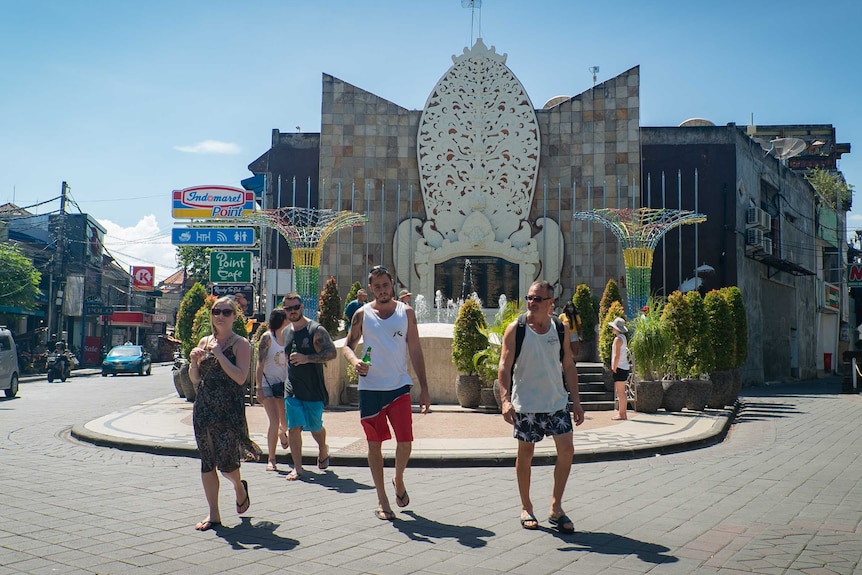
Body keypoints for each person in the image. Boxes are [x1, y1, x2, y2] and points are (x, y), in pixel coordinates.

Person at [343, 266, 430, 520]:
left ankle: (398, 478)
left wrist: (424, 388)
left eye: (385, 285)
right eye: (377, 286)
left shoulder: (406, 313)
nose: (382, 290)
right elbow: (348, 345)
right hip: (371, 389)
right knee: (374, 445)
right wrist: (354, 361)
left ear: (393, 284)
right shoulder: (361, 314)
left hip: (399, 387)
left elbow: (415, 350)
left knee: (405, 442)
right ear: (371, 288)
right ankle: (382, 499)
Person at [498, 280, 585, 533]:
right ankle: (526, 507)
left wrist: (576, 401)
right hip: (527, 404)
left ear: (550, 302)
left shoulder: (560, 328)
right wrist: (505, 400)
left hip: (556, 402)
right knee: (525, 454)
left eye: (538, 299)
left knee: (567, 450)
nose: (532, 303)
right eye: (529, 298)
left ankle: (556, 508)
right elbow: (504, 365)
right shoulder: (516, 328)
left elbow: (568, 365)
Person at [188, 296, 261, 531]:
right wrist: (193, 363)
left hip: (228, 409)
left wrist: (219, 354)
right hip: (205, 407)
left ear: (234, 316)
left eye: (226, 312)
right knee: (207, 460)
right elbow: (196, 380)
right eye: (216, 311)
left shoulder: (241, 344)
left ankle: (239, 487)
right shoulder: (205, 340)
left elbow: (241, 378)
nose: (220, 315)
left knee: (227, 464)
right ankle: (214, 515)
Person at [282, 292, 337, 481]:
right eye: (288, 308)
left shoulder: (315, 329)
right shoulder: (286, 332)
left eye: (295, 307)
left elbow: (332, 353)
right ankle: (298, 468)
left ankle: (323, 448)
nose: (292, 311)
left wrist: (307, 359)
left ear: (302, 307)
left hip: (313, 388)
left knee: (315, 427)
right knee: (294, 427)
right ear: (284, 310)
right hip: (292, 388)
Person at [255, 308, 290, 472]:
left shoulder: (290, 336)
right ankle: (271, 459)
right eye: (286, 317)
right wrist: (259, 387)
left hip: (284, 385)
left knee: (285, 423)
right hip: (268, 384)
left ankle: (283, 434)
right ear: (281, 320)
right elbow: (260, 363)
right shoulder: (267, 338)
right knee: (274, 422)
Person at [609, 317, 631, 421]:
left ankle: (622, 414)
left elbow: (616, 355)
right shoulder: (623, 337)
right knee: (622, 392)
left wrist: (614, 367)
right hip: (623, 366)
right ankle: (622, 413)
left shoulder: (618, 339)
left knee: (620, 392)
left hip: (620, 367)